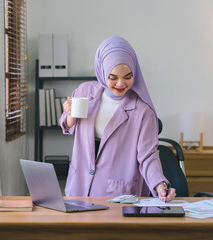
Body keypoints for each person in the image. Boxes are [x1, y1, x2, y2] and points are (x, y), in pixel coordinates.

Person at [59, 36, 176, 202]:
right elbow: (68, 126)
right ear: (102, 71)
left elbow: (148, 155)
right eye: (113, 77)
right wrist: (70, 116)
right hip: (78, 187)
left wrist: (159, 185)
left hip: (116, 196)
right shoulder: (84, 92)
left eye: (128, 77)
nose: (120, 84)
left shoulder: (143, 111)